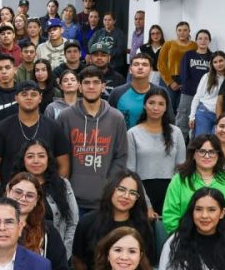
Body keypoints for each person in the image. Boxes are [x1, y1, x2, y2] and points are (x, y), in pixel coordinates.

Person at [57, 66, 129, 213]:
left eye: (96, 82)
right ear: (80, 87)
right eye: (86, 82)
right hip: (72, 199)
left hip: (104, 199)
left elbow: (121, 156)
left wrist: (109, 185)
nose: (91, 86)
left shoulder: (116, 118)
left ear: (103, 87)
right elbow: (59, 156)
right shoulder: (65, 116)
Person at [73, 171, 155, 270]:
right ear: (111, 189)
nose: (126, 196)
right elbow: (78, 260)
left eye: (133, 193)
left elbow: (147, 264)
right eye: (121, 189)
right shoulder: (87, 221)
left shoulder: (143, 226)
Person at [0, 80, 70, 184]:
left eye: (34, 94)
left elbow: (64, 164)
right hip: (11, 191)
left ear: (40, 98)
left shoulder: (54, 128)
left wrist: (56, 189)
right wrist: (0, 191)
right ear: (16, 98)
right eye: (24, 94)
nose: (29, 98)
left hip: (47, 191)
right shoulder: (2, 128)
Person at [162, 135, 225, 236]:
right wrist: (182, 239)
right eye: (202, 151)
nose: (207, 156)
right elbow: (170, 215)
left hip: (223, 240)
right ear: (193, 154)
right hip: (185, 240)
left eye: (212, 152)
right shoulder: (179, 180)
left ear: (218, 154)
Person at [4, 173, 69, 270]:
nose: (23, 198)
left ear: (36, 200)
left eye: (30, 195)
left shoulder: (48, 231)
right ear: (8, 192)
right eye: (18, 192)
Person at [12, 139, 78, 257]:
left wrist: (63, 254)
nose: (36, 161)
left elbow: (73, 223)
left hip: (54, 253)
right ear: (23, 160)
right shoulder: (14, 186)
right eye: (30, 156)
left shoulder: (62, 185)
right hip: (18, 252)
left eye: (41, 156)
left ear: (48, 159)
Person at [126, 86, 186, 215]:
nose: (156, 108)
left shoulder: (176, 132)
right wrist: (146, 205)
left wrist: (172, 200)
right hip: (141, 192)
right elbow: (131, 171)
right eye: (151, 103)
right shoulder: (132, 133)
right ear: (144, 105)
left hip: (171, 193)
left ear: (166, 107)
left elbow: (181, 170)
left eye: (161, 104)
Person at [173, 29, 213, 139]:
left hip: (205, 96)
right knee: (182, 120)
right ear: (196, 41)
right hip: (188, 93)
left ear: (209, 41)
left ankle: (194, 146)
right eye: (200, 38)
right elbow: (184, 74)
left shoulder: (213, 57)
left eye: (206, 38)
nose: (203, 41)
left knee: (198, 123)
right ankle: (179, 143)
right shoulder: (188, 55)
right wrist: (191, 89)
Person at [109, 54, 164, 130]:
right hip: (123, 136)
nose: (140, 67)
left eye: (144, 65)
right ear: (130, 69)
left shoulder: (161, 92)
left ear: (151, 69)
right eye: (136, 64)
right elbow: (110, 121)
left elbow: (169, 120)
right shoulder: (117, 93)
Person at [189, 51, 225, 138]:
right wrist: (192, 117)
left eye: (221, 61)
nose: (218, 64)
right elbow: (197, 97)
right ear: (212, 64)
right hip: (205, 113)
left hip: (222, 116)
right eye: (215, 62)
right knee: (202, 141)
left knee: (217, 143)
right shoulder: (207, 77)